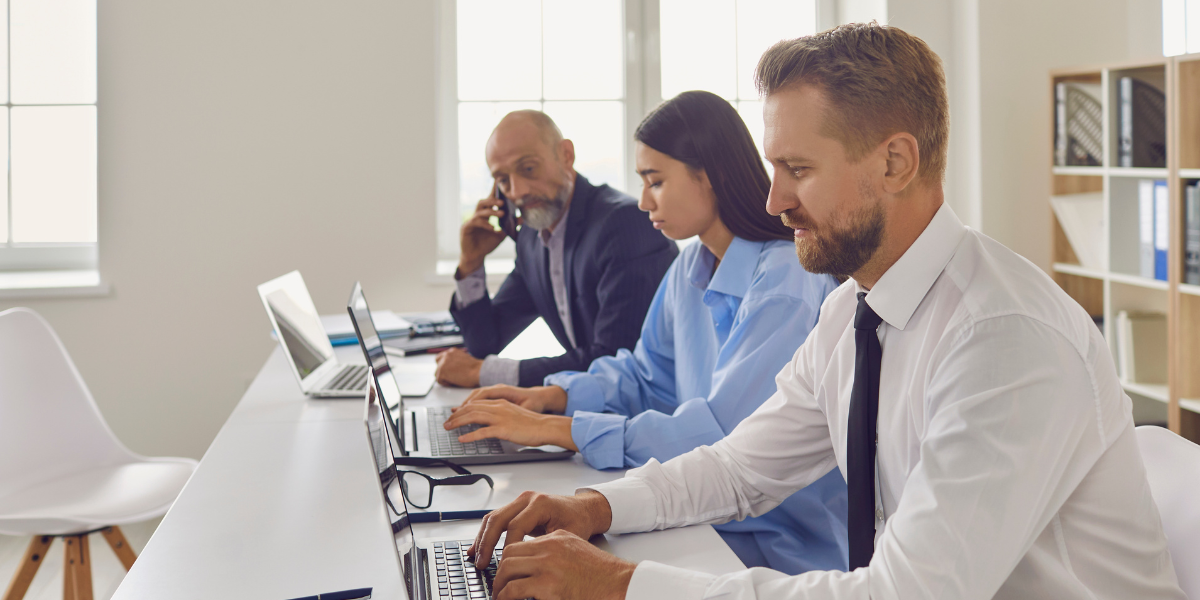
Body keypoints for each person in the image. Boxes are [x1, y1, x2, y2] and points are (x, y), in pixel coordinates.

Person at [462, 23, 1186, 600]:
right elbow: (739, 469)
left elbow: (906, 594)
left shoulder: (1003, 339)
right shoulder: (851, 314)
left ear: (895, 163)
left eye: (798, 170)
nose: (773, 201)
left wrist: (624, 585)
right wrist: (596, 506)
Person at [443, 91, 847, 575]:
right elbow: (645, 375)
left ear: (710, 175)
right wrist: (551, 396)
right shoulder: (690, 267)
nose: (642, 200)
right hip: (698, 514)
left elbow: (725, 437)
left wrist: (557, 429)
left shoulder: (785, 282)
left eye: (655, 181)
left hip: (776, 542)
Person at [436, 111, 678, 389]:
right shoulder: (532, 237)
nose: (517, 191)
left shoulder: (624, 224)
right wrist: (471, 262)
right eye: (503, 180)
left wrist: (485, 373)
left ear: (566, 155)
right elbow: (486, 344)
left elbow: (614, 359)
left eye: (528, 169)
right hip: (593, 402)